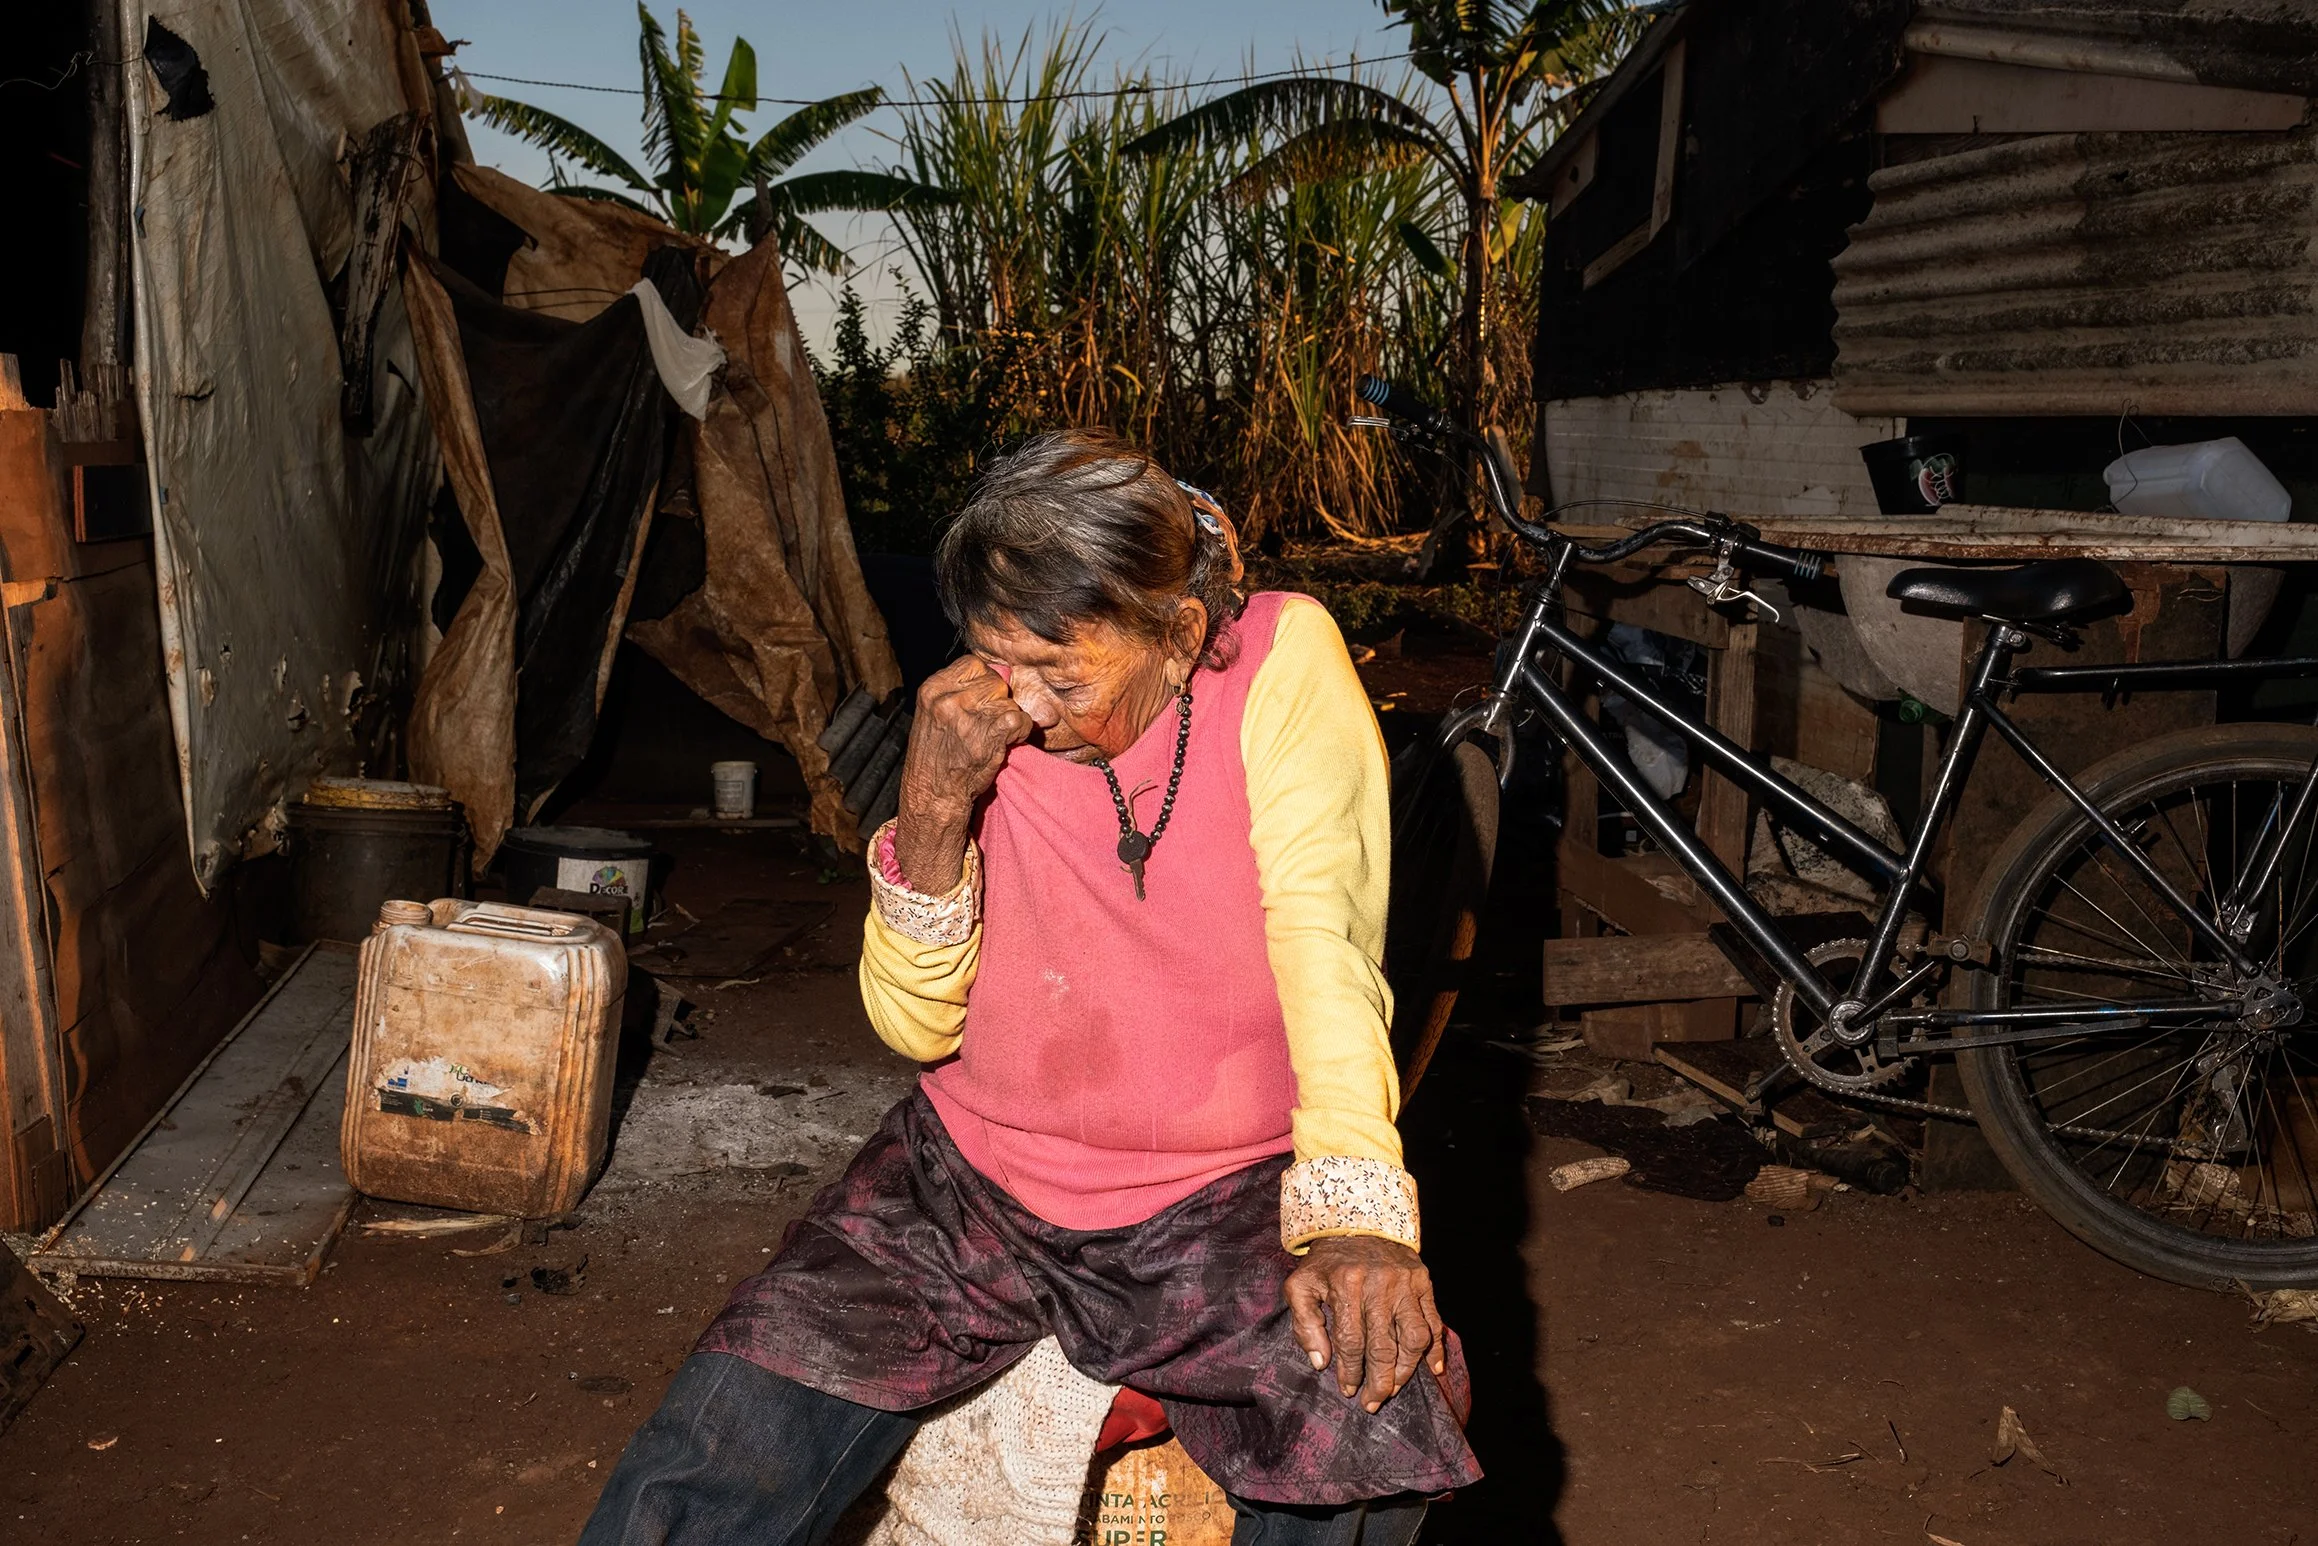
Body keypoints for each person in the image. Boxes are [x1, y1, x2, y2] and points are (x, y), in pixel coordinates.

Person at [580, 430, 1479, 1545]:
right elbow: (911, 1023)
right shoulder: (971, 722)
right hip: (966, 1180)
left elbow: (1325, 941)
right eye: (1000, 661)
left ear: (1179, 633)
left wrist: (1354, 1215)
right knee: (700, 1467)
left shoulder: (1279, 662)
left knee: (1370, 1421)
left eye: (1066, 673)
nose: (1028, 709)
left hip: (1217, 1191)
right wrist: (932, 806)